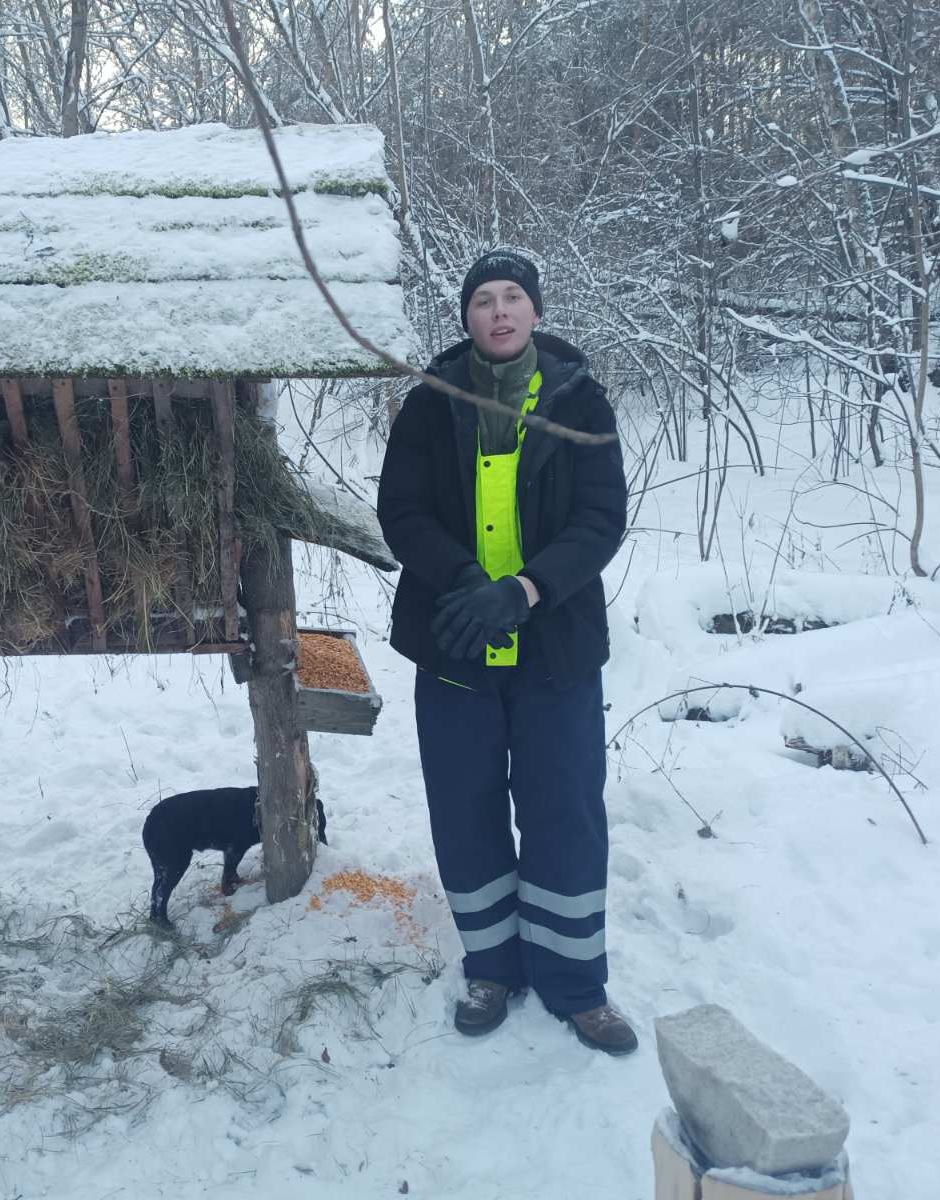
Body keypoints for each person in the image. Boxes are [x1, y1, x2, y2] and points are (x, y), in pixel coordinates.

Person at [376, 248, 634, 1054]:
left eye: (512, 296)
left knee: (565, 811)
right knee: (466, 807)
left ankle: (575, 984)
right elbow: (402, 510)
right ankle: (491, 965)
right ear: (466, 316)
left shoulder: (580, 400)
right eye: (483, 298)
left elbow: (600, 518)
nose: (498, 310)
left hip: (553, 642)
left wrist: (522, 590)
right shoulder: (430, 402)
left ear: (534, 311)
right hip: (454, 639)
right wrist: (465, 584)